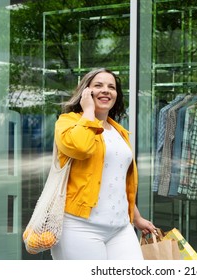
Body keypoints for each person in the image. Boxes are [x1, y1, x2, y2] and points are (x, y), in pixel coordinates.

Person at [51, 68, 157, 260]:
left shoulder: (118, 131)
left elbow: (117, 182)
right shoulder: (67, 122)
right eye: (98, 85)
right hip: (79, 226)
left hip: (121, 226)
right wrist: (89, 111)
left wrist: (136, 217)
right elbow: (81, 148)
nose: (106, 90)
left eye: (111, 87)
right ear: (86, 91)